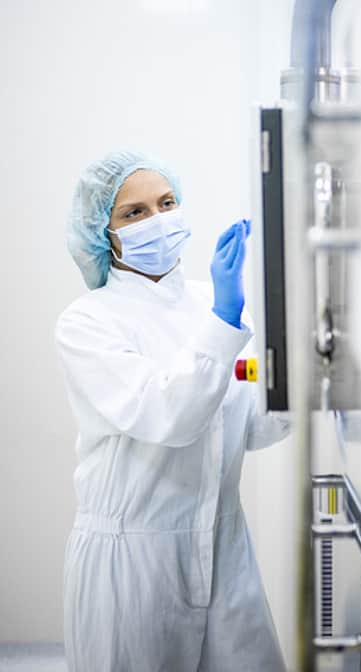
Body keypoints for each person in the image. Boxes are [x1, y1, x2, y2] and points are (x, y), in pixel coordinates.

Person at [56, 151, 288, 671]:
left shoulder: (218, 305)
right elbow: (170, 416)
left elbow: (252, 428)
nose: (158, 220)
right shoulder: (88, 323)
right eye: (134, 213)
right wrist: (224, 320)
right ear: (104, 233)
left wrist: (300, 378)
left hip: (225, 549)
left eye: (166, 203)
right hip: (132, 564)